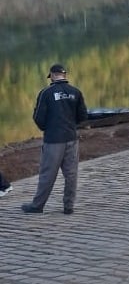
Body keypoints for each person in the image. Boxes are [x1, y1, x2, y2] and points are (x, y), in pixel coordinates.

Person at [21, 63, 87, 214]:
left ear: (51, 75)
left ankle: (37, 206)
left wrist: (47, 129)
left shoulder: (46, 93)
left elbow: (38, 117)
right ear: (65, 75)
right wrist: (71, 125)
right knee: (71, 174)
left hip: (53, 140)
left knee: (47, 174)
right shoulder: (75, 92)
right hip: (71, 137)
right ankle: (68, 206)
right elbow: (83, 116)